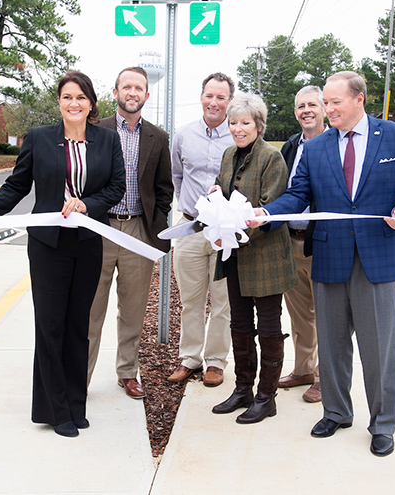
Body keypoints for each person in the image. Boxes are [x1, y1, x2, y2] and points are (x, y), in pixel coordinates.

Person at [251, 71, 395, 457]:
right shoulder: (315, 149)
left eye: (334, 102)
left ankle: (383, 424)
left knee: (379, 348)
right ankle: (336, 411)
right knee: (332, 346)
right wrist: (266, 213)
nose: (328, 109)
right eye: (325, 103)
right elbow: (297, 195)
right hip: (331, 258)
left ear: (359, 99)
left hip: (379, 257)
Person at [0, 70, 125, 438]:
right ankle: (54, 410)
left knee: (78, 326)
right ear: (59, 102)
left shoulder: (108, 140)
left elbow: (116, 187)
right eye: (67, 97)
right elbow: (16, 185)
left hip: (88, 242)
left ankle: (75, 405)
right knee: (51, 326)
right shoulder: (39, 139)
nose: (74, 103)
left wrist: (88, 205)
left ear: (92, 103)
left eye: (80, 97)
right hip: (48, 246)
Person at [210, 93, 297, 424]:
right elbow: (224, 190)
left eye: (245, 122)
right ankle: (242, 389)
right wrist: (214, 197)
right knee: (240, 324)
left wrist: (236, 228)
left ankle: (266, 397)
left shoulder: (271, 158)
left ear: (258, 125)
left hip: (265, 256)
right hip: (234, 254)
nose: (237, 128)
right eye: (233, 122)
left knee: (269, 326)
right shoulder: (229, 154)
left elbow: (269, 205)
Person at [87, 66, 173, 400]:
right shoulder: (97, 130)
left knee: (133, 309)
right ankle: (81, 377)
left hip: (138, 229)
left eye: (139, 88)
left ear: (146, 95)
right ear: (115, 92)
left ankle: (127, 372)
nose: (132, 93)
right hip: (101, 228)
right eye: (127, 87)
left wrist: (157, 228)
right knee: (91, 307)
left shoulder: (158, 137)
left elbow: (164, 189)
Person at [168, 72, 236, 387]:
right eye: (210, 95)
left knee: (222, 300)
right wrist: (189, 204)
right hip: (190, 228)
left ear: (229, 101)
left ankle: (216, 362)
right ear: (201, 96)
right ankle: (190, 359)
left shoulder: (237, 137)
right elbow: (177, 176)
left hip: (225, 231)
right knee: (191, 300)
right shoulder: (183, 136)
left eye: (221, 97)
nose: (214, 102)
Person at [277, 85, 328, 404]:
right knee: (299, 314)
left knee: (327, 313)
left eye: (312, 104)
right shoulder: (291, 146)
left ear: (324, 108)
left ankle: (325, 377)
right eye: (300, 106)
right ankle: (303, 369)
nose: (306, 110)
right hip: (290, 242)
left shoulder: (332, 144)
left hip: (321, 243)